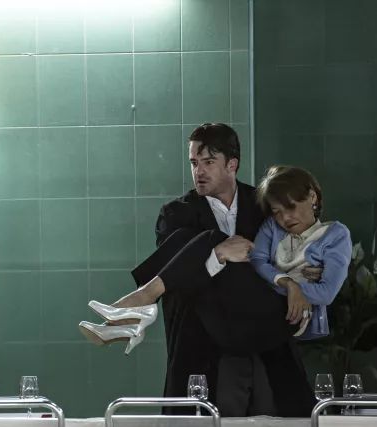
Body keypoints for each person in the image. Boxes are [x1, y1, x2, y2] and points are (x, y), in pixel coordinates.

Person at [79, 123, 318, 417]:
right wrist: (220, 254)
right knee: (202, 241)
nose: (199, 171)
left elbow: (300, 245)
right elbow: (179, 280)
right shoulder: (176, 213)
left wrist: (298, 280)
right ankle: (143, 302)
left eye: (208, 162)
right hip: (208, 342)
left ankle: (140, 303)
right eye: (194, 162)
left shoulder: (264, 204)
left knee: (207, 239)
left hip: (265, 333)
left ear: (232, 165)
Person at [251, 165, 351, 340]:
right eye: (276, 212)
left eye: (290, 207)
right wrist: (290, 284)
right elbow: (257, 260)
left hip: (298, 318)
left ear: (312, 197)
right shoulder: (272, 226)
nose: (285, 218)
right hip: (259, 306)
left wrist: (286, 287)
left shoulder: (335, 235)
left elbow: (327, 293)